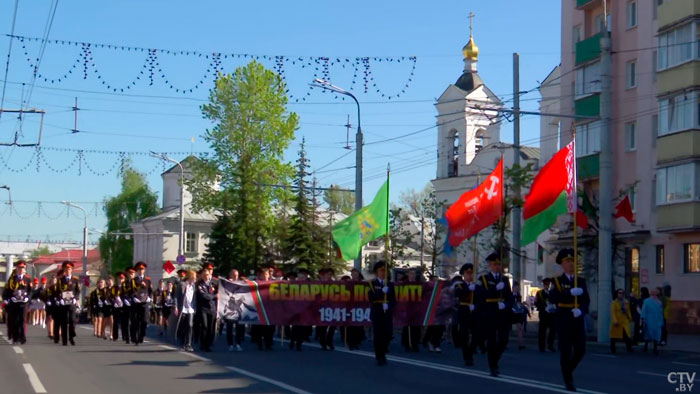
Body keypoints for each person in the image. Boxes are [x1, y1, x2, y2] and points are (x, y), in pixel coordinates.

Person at [549, 248, 590, 392]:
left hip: (577, 318)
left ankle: (568, 371)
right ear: (562, 264)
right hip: (563, 318)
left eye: (572, 260)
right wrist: (569, 292)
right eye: (568, 261)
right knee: (565, 351)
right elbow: (553, 298)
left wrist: (581, 310)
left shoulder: (581, 281)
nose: (571, 263)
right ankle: (568, 380)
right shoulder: (557, 281)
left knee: (580, 349)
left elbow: (586, 300)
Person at [478, 253, 513, 377]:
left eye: (499, 264)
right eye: (495, 264)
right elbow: (482, 295)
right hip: (490, 312)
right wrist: (495, 289)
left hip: (502, 312)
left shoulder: (504, 279)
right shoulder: (484, 279)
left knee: (504, 340)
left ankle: (495, 360)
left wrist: (506, 305)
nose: (497, 266)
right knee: (492, 341)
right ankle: (492, 366)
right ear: (490, 265)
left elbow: (510, 296)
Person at [454, 263, 483, 366]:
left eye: (471, 273)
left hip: (474, 313)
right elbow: (457, 294)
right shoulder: (460, 285)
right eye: (467, 273)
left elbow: (481, 299)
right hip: (464, 313)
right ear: (463, 274)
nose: (470, 275)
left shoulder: (477, 287)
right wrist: (467, 289)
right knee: (464, 336)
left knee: (477, 336)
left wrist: (475, 306)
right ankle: (467, 357)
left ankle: (470, 352)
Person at [368, 261, 396, 366]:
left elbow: (394, 300)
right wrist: (381, 292)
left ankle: (383, 352)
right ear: (376, 272)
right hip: (377, 312)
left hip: (387, 312)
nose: (384, 272)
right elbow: (371, 298)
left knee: (388, 334)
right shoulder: (372, 284)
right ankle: (379, 355)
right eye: (381, 270)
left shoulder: (390, 284)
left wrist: (389, 306)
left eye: (385, 270)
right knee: (378, 335)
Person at [2, 260, 31, 344]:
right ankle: (15, 338)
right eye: (20, 267)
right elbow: (7, 291)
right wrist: (9, 298)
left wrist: (27, 298)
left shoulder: (27, 279)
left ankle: (22, 337)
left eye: (23, 267)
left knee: (22, 320)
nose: (21, 269)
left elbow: (30, 291)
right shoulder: (12, 279)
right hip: (14, 303)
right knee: (14, 321)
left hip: (23, 303)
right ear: (16, 268)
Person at [55, 261, 81, 346]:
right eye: (66, 269)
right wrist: (60, 299)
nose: (67, 270)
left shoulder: (75, 280)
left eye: (69, 269)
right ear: (63, 269)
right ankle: (64, 340)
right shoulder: (60, 280)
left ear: (71, 269)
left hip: (72, 303)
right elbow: (57, 291)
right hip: (63, 303)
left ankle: (71, 337)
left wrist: (76, 298)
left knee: (72, 320)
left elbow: (77, 291)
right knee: (64, 321)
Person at [129, 262, 152, 345]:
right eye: (139, 269)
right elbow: (130, 292)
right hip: (136, 303)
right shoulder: (133, 281)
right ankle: (135, 338)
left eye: (142, 269)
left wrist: (150, 297)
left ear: (144, 270)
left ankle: (141, 335)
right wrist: (134, 298)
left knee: (144, 321)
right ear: (137, 270)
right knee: (135, 321)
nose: (141, 271)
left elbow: (150, 291)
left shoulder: (148, 280)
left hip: (144, 303)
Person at [251, 267, 274, 350]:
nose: (265, 276)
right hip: (259, 307)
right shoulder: (255, 284)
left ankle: (269, 343)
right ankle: (260, 343)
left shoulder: (273, 284)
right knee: (260, 328)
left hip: (270, 309)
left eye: (266, 274)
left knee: (270, 327)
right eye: (263, 275)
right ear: (260, 276)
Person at [343, 268, 366, 350]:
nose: (354, 275)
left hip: (359, 307)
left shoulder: (362, 284)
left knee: (357, 326)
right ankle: (351, 343)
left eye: (356, 273)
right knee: (350, 326)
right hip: (350, 307)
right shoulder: (348, 283)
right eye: (353, 273)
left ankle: (356, 342)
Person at [196, 267, 218, 352]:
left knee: (211, 328)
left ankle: (208, 344)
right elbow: (204, 296)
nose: (206, 276)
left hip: (212, 308)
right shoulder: (199, 285)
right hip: (203, 308)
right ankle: (202, 344)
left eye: (207, 275)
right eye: (204, 275)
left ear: (210, 275)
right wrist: (215, 296)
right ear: (201, 276)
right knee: (204, 326)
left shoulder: (213, 284)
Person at [423, 274, 446, 353]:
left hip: (440, 311)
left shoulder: (440, 289)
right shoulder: (427, 289)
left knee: (440, 328)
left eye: (437, 280)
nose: (436, 282)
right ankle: (430, 342)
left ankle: (435, 343)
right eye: (434, 280)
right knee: (432, 328)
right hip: (431, 310)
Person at [175, 270, 197, 352]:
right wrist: (176, 306)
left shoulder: (194, 286)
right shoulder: (182, 284)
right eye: (193, 278)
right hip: (183, 308)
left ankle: (189, 344)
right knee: (183, 326)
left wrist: (195, 307)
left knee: (190, 325)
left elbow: (194, 297)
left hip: (190, 309)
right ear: (190, 277)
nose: (195, 280)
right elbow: (176, 296)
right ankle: (182, 342)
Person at [400, 269, 421, 353]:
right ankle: (407, 344)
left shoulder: (418, 284)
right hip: (408, 308)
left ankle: (415, 344)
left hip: (416, 308)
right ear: (408, 274)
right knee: (407, 327)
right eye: (411, 273)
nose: (413, 275)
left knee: (416, 327)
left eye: (414, 274)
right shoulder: (405, 283)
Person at [317, 268, 337, 351]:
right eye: (328, 274)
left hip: (332, 308)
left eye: (330, 274)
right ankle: (323, 343)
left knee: (332, 326)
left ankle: (329, 341)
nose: (329, 276)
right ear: (324, 275)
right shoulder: (320, 284)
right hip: (323, 308)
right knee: (323, 327)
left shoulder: (334, 284)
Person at [225, 269, 245, 352]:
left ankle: (238, 343)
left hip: (239, 307)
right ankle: (230, 344)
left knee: (239, 327)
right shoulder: (226, 283)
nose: (235, 276)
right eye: (233, 275)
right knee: (229, 327)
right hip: (230, 308)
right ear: (230, 275)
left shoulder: (241, 284)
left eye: (236, 275)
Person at [610, 288, 633, 354]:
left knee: (627, 335)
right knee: (614, 336)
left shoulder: (626, 302)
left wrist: (630, 317)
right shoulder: (614, 303)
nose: (621, 294)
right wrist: (615, 321)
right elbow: (613, 312)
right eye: (620, 293)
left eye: (622, 293)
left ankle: (629, 348)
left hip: (624, 321)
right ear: (617, 294)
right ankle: (613, 349)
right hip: (617, 321)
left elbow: (628, 311)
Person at [535, 278, 556, 352]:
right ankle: (542, 346)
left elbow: (556, 302)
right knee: (542, 331)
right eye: (546, 284)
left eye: (549, 284)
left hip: (551, 314)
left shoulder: (553, 293)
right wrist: (543, 308)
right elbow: (536, 303)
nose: (548, 286)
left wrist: (554, 306)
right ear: (544, 285)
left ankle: (550, 345)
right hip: (543, 314)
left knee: (552, 330)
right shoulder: (539, 293)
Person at [641, 287, 664, 355]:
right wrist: (643, 318)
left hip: (657, 320)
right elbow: (644, 310)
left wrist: (661, 321)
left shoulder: (659, 302)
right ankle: (646, 346)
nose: (654, 293)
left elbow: (661, 312)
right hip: (649, 319)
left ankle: (655, 348)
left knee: (657, 333)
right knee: (648, 333)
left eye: (656, 291)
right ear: (651, 293)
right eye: (653, 291)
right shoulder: (647, 301)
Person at [512, 283, 530, 350]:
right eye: (515, 288)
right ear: (513, 288)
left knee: (520, 328)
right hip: (511, 313)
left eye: (517, 288)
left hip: (518, 313)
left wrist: (522, 305)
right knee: (506, 328)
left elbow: (519, 303)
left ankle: (521, 344)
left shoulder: (519, 295)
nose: (516, 289)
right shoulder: (510, 295)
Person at [112, 272, 127, 342]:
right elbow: (111, 296)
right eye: (120, 278)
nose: (121, 280)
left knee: (124, 321)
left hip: (124, 306)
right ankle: (115, 336)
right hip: (116, 306)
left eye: (122, 278)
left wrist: (124, 301)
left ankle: (124, 336)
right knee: (116, 322)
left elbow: (127, 295)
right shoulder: (114, 287)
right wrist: (114, 301)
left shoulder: (126, 287)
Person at [43, 274, 59, 339]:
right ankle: (50, 332)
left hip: (57, 304)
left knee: (57, 319)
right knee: (50, 318)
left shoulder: (58, 288)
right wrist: (46, 300)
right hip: (49, 304)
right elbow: (43, 295)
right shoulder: (48, 288)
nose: (54, 281)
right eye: (53, 280)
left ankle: (56, 332)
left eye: (55, 280)